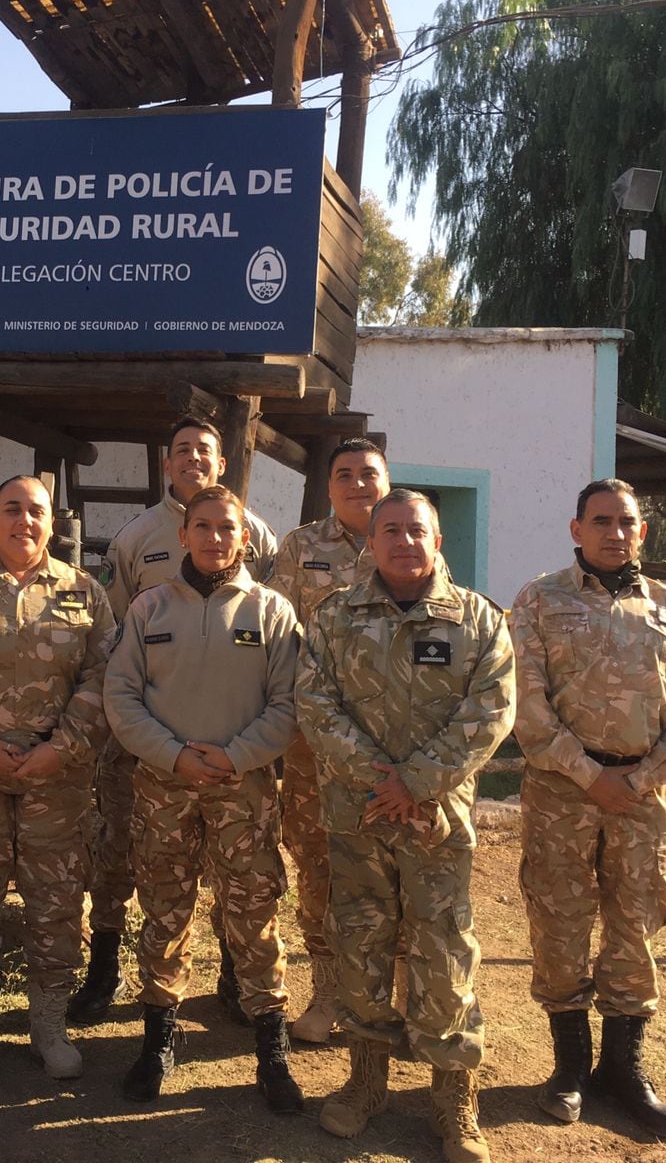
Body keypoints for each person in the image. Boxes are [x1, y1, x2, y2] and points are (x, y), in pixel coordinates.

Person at [297, 490, 515, 1161]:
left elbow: (492, 710)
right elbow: (314, 702)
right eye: (390, 530)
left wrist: (414, 782)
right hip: (358, 817)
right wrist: (377, 778)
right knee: (360, 947)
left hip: (435, 822)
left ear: (437, 539)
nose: (403, 541)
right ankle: (366, 1084)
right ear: (373, 542)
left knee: (444, 953)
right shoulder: (333, 618)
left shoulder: (478, 620)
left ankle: (454, 1100)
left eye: (416, 530)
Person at [510, 478, 666, 1140]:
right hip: (561, 795)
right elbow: (527, 705)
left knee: (635, 928)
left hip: (642, 798)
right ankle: (570, 1068)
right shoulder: (540, 600)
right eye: (599, 521)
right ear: (576, 530)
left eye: (625, 522)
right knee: (559, 925)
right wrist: (586, 772)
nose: (613, 532)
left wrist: (645, 776)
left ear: (641, 532)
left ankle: (623, 1072)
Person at [72, 417, 279, 1026]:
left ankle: (237, 977)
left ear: (221, 464)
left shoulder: (259, 535)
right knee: (122, 853)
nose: (192, 458)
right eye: (181, 450)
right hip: (145, 740)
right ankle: (104, 969)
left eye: (204, 451)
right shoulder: (136, 538)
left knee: (235, 864)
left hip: (232, 741)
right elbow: (113, 637)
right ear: (167, 466)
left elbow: (263, 624)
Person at [103, 485, 303, 1113]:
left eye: (227, 528)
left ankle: (271, 1050)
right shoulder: (148, 608)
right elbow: (121, 697)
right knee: (165, 911)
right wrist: (173, 754)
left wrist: (236, 755)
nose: (215, 538)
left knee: (254, 915)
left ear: (245, 538)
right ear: (183, 535)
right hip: (164, 786)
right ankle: (158, 1039)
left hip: (243, 790)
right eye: (203, 527)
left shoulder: (272, 612)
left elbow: (289, 705)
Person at [0, 475, 116, 1083]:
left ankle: (49, 1021)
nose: (24, 522)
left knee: (56, 899)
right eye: (12, 510)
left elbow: (103, 679)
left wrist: (63, 749)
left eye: (35, 512)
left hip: (55, 775)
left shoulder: (84, 592)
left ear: (50, 523)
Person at [266, 437, 389, 1043]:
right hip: (314, 740)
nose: (357, 484)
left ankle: (386, 996)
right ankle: (326, 992)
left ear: (387, 480)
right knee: (317, 863)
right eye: (344, 474)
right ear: (330, 486)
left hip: (394, 744)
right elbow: (279, 637)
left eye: (368, 473)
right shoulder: (300, 547)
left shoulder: (409, 537)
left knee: (391, 866)